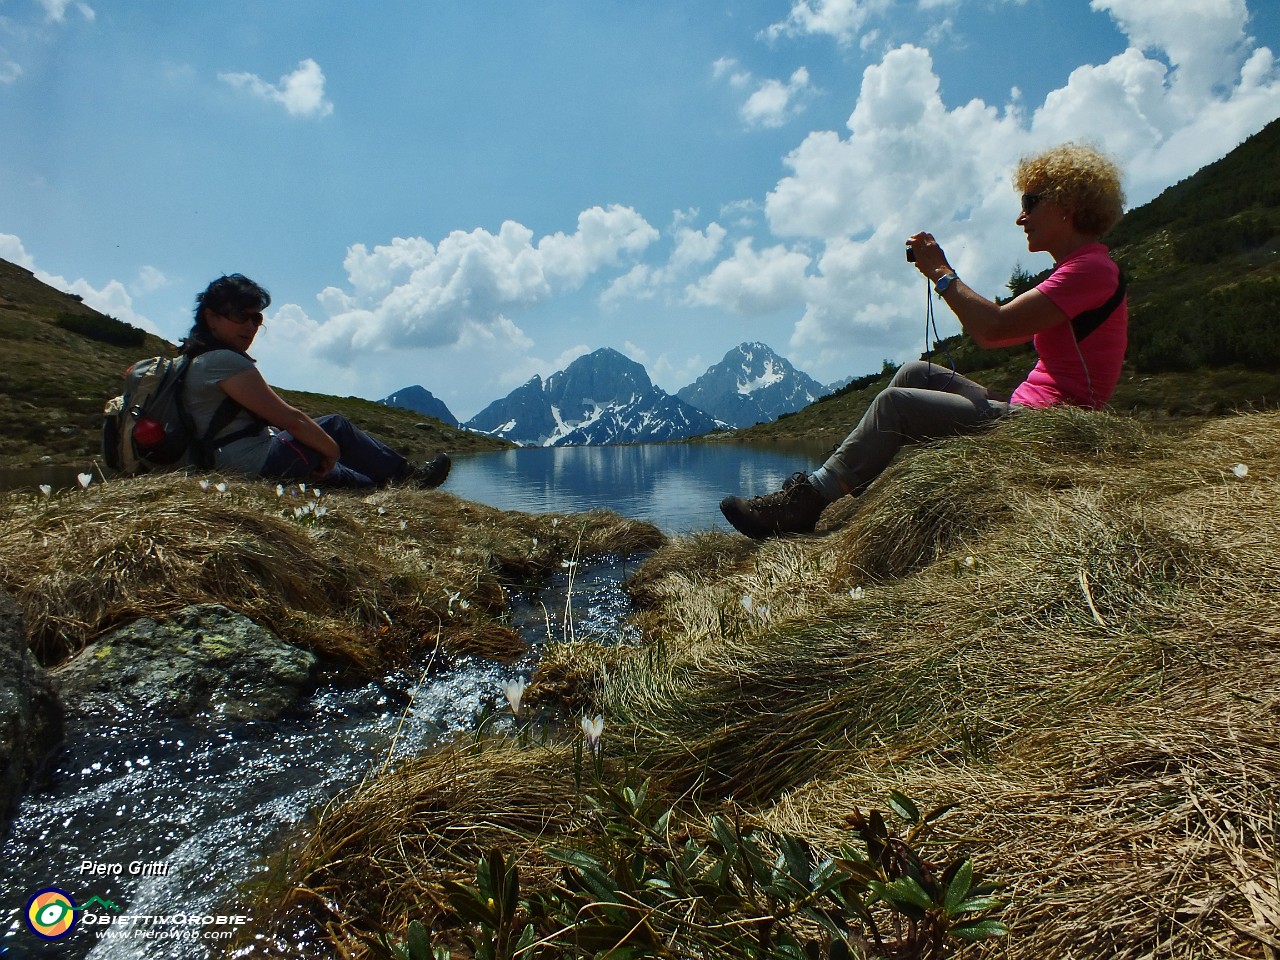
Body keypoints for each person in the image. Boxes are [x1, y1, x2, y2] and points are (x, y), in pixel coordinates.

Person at [720, 143, 1127, 539]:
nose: (1021, 218)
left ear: (1066, 205)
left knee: (895, 405)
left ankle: (805, 504)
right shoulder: (1081, 268)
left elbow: (993, 329)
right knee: (916, 372)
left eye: (1030, 201)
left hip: (1048, 429)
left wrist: (941, 272)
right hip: (1028, 412)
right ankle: (842, 478)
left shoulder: (1090, 271)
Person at [181, 273, 451, 489]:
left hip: (231, 463)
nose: (251, 326)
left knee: (364, 482)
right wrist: (331, 449)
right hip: (252, 465)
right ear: (211, 317)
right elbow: (290, 419)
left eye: (257, 318)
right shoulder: (223, 361)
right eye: (241, 315)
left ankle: (391, 485)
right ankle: (411, 478)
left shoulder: (198, 359)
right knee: (335, 425)